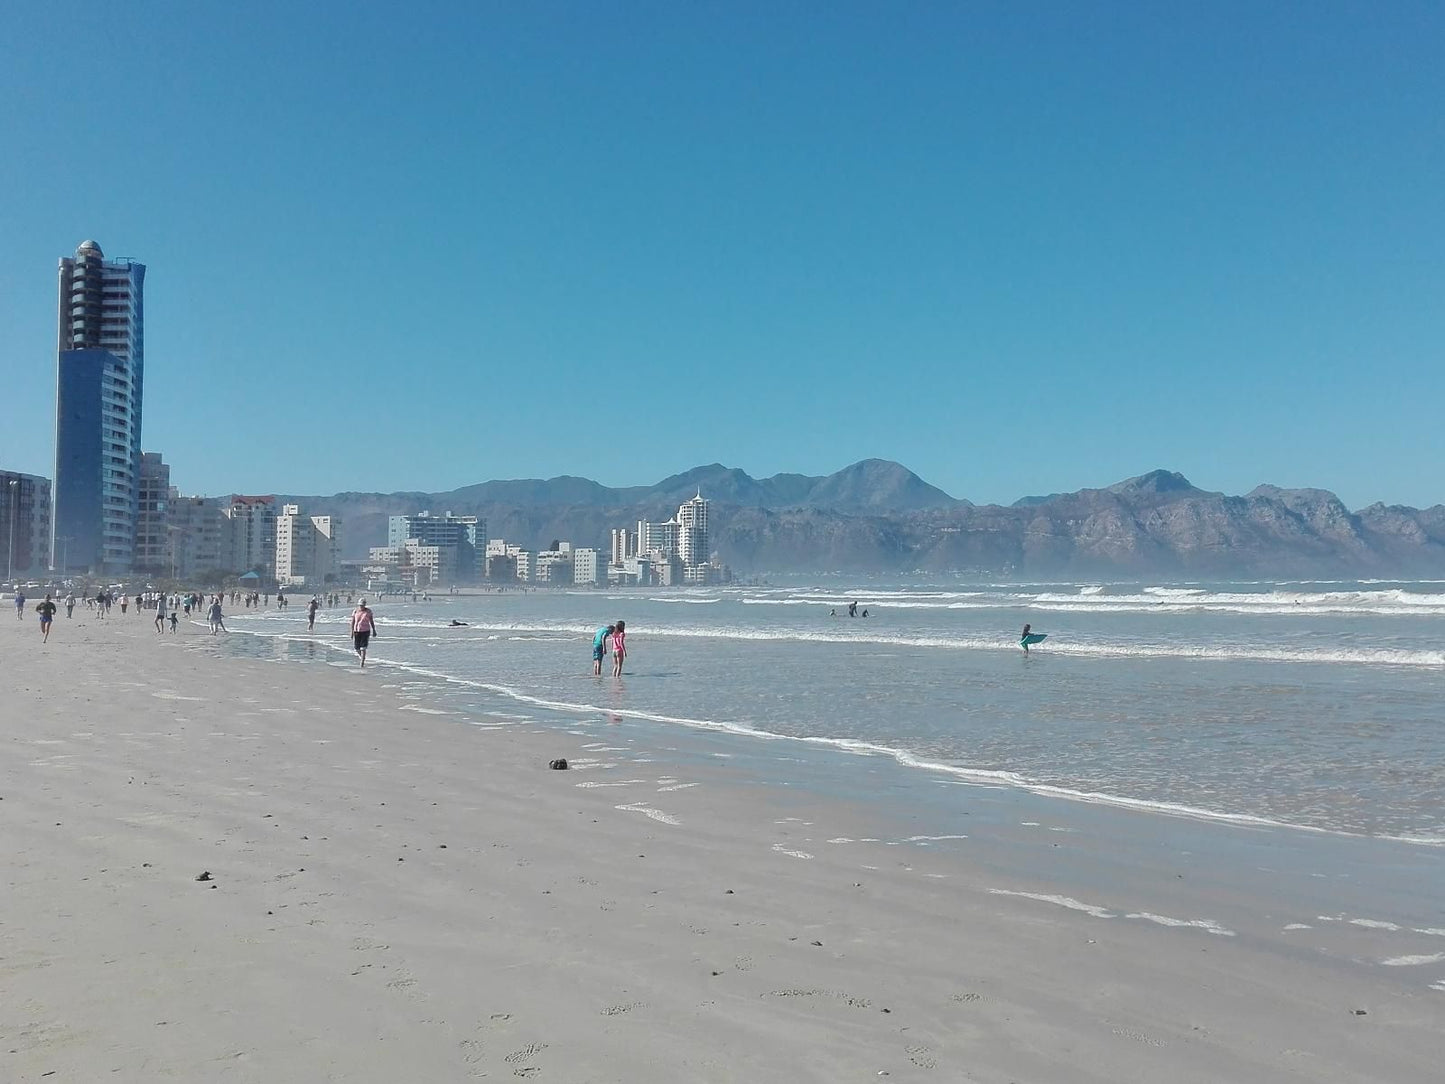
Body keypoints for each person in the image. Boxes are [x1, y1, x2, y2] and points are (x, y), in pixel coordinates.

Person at [350, 600, 377, 667]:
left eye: (363, 605)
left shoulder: (368, 611)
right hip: (357, 631)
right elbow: (352, 622)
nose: (361, 606)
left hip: (365, 631)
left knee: (363, 647)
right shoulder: (355, 611)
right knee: (357, 648)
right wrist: (351, 631)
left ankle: (362, 663)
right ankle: (362, 657)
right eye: (360, 605)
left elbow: (371, 621)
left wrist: (374, 630)